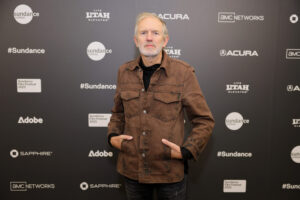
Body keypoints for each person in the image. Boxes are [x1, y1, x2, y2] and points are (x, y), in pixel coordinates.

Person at [107, 12, 214, 200]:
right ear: (135, 40)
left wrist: (187, 150)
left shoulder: (183, 73)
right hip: (133, 170)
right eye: (143, 33)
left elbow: (204, 120)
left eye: (155, 33)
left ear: (165, 40)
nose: (149, 37)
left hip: (169, 172)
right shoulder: (124, 72)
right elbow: (118, 113)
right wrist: (113, 136)